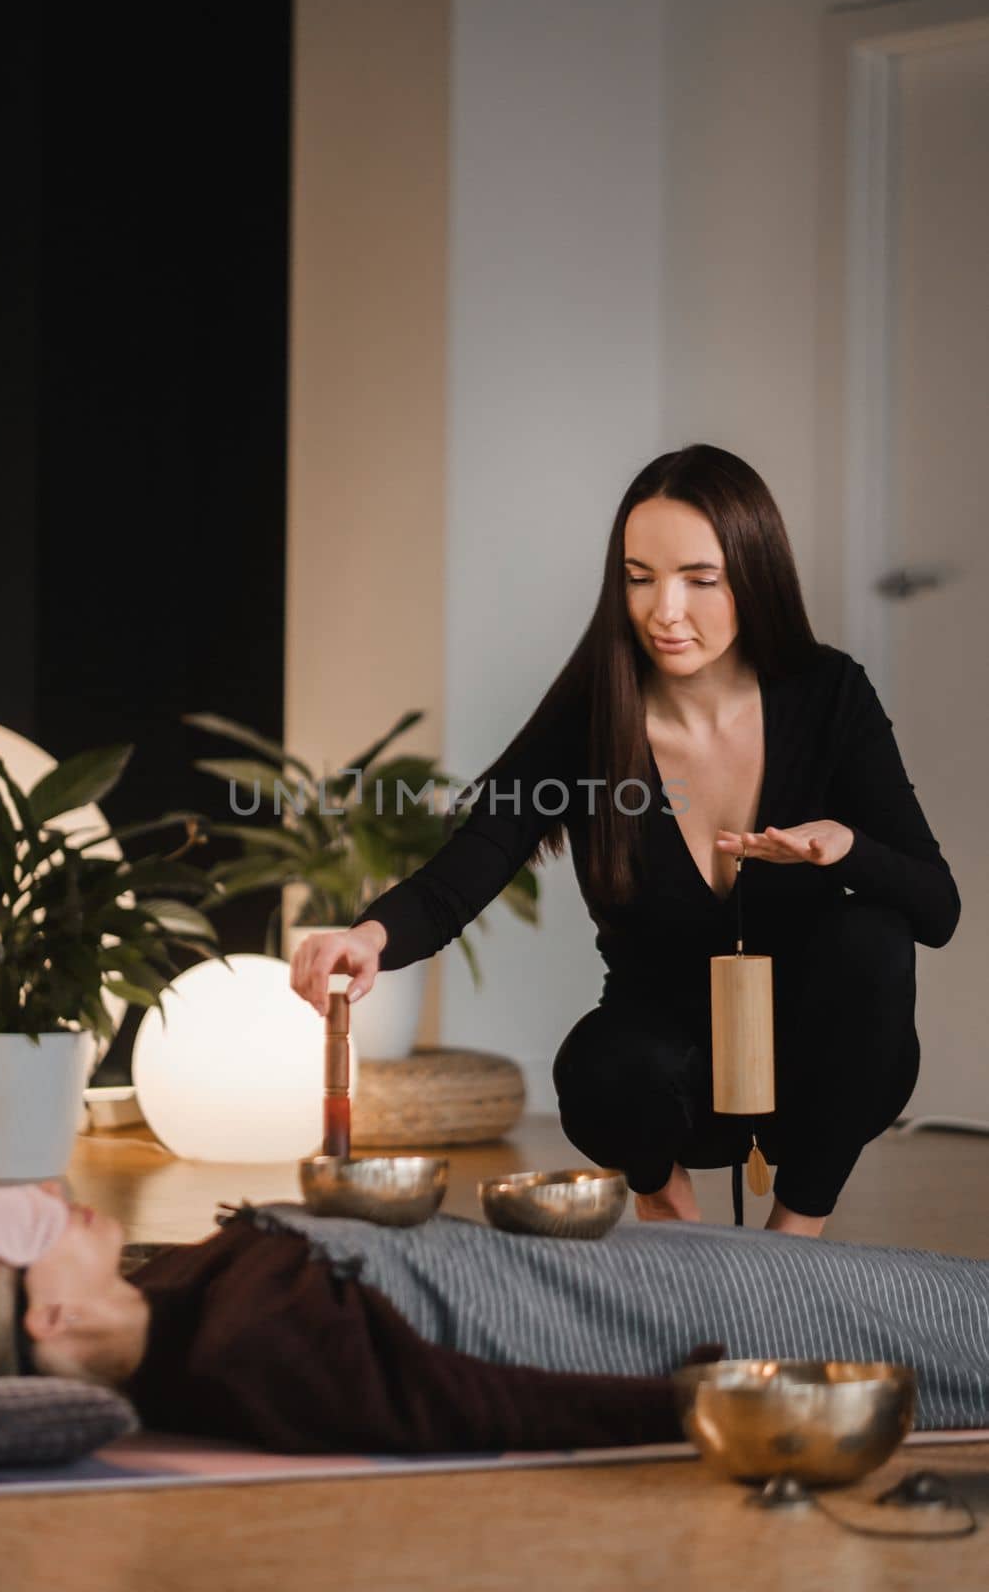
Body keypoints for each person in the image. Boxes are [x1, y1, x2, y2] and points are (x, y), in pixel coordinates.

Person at [290, 444, 961, 1239]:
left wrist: (843, 845)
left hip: (815, 1072)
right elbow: (476, 855)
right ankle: (663, 1202)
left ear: (755, 572)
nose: (664, 610)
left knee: (873, 933)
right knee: (603, 1066)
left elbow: (935, 908)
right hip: (666, 1076)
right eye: (639, 578)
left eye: (699, 580)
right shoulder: (592, 711)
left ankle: (795, 1236)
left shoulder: (828, 693)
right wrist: (369, 936)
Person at [0, 1183, 986, 1455]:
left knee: (928, 1279)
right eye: (17, 1229)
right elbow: (478, 1405)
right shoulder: (251, 1349)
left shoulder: (177, 1291)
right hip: (666, 1322)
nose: (48, 1197)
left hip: (627, 1264)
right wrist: (709, 1397)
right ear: (49, 1313)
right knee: (956, 1323)